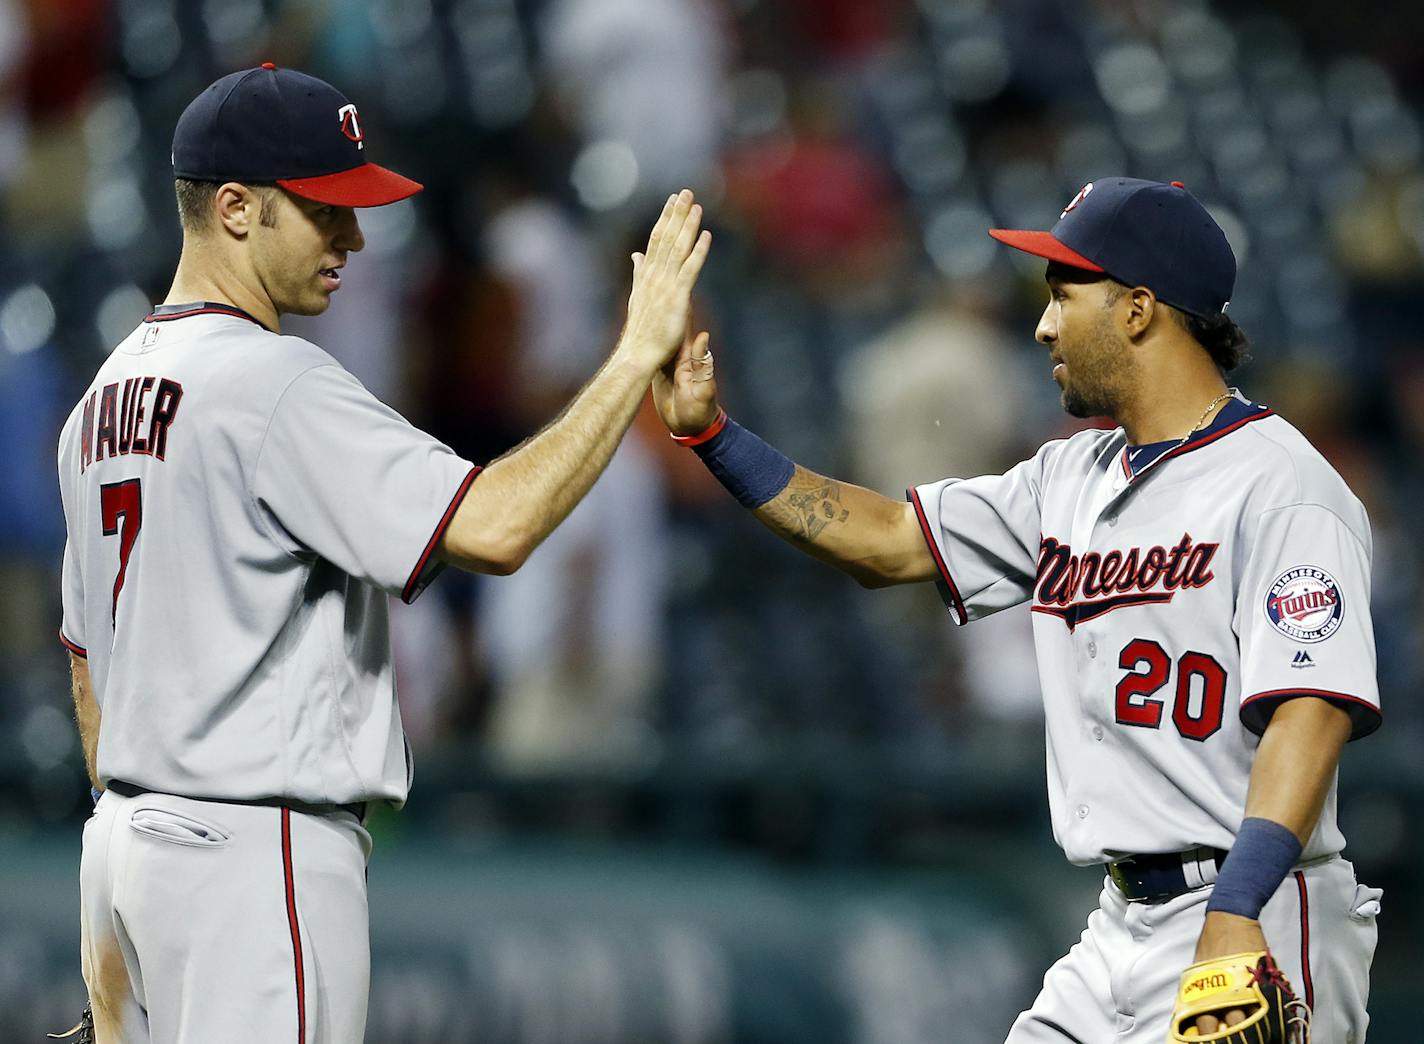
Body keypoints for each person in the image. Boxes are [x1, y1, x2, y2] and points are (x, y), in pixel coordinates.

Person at [56, 63, 709, 1042]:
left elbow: (84, 661)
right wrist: (631, 355)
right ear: (235, 209)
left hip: (125, 856)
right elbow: (493, 528)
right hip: (252, 852)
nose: (353, 238)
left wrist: (138, 831)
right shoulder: (268, 381)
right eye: (324, 210)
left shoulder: (100, 402)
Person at [652, 178, 1381, 1041]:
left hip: (1254, 908)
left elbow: (1311, 710)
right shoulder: (1066, 477)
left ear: (1140, 309)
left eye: (1063, 296)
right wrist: (711, 435)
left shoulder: (1282, 485)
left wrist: (1237, 907)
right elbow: (889, 540)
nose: (1042, 326)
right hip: (1120, 922)